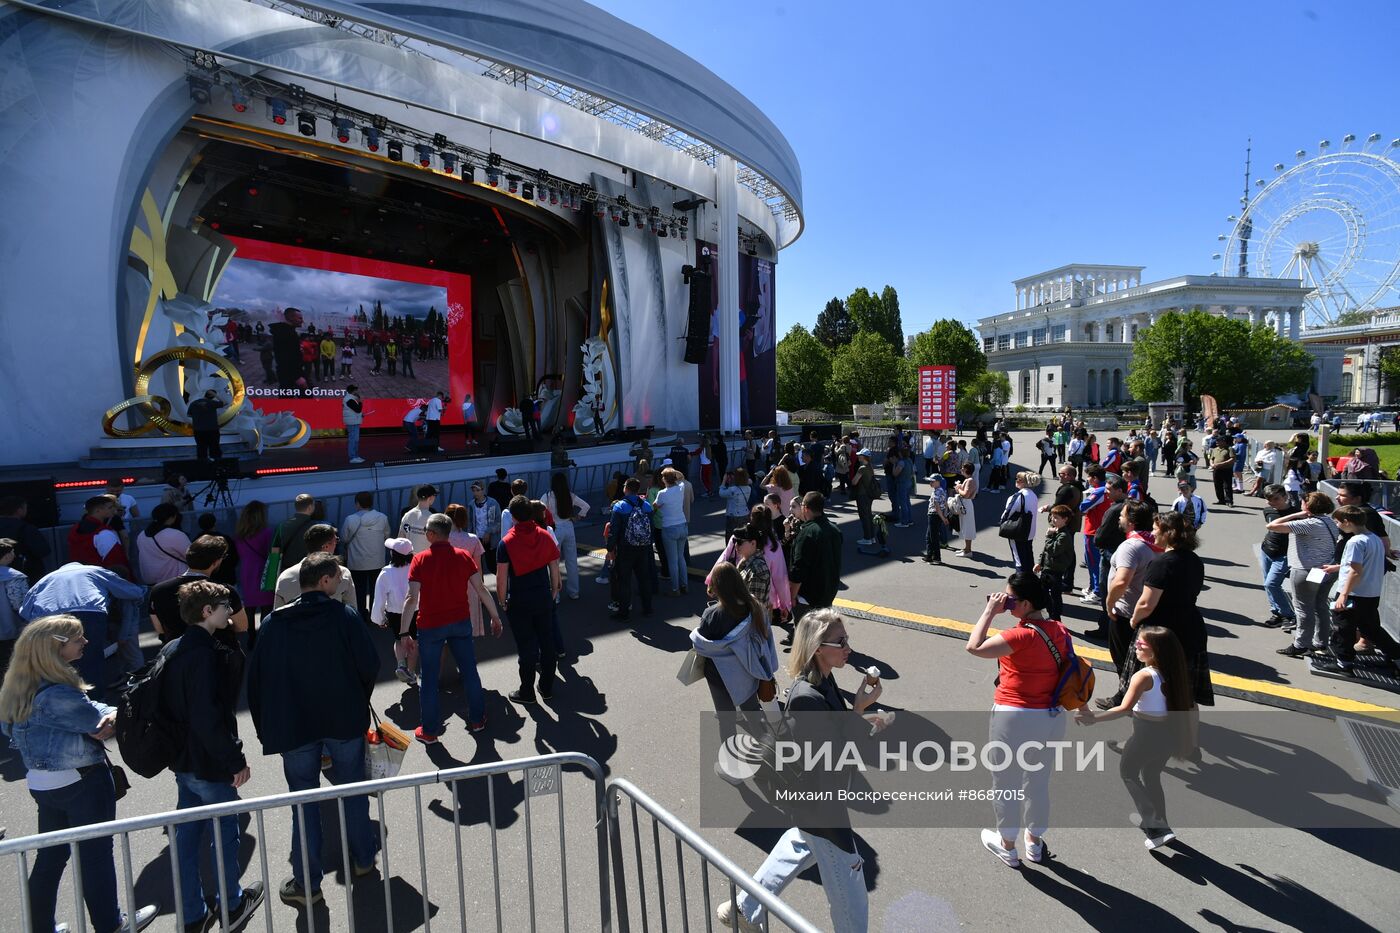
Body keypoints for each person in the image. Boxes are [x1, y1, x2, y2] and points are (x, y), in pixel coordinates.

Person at [719, 608, 880, 932]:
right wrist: (860, 711)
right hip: (824, 813)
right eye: (840, 641)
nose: (848, 647)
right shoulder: (807, 697)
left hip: (812, 808)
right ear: (818, 647)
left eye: (847, 639)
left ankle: (744, 907)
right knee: (852, 900)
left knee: (799, 843)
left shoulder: (823, 679)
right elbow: (833, 759)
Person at [0, 616, 159, 933]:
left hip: (44, 784)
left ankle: (41, 927)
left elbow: (90, 710)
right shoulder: (58, 693)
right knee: (95, 856)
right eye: (77, 639)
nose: (86, 642)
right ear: (55, 648)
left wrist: (102, 714)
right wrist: (111, 715)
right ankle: (110, 925)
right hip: (81, 782)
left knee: (51, 858)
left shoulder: (20, 685)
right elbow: (98, 724)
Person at [245, 553, 381, 907]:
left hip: (294, 726)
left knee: (303, 801)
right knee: (353, 788)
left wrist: (265, 729)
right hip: (343, 721)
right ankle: (364, 859)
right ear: (323, 580)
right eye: (336, 577)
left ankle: (307, 883)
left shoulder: (274, 623)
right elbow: (369, 664)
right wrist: (355, 699)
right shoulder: (344, 616)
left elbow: (256, 681)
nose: (339, 582)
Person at [162, 580, 266, 931]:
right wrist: (234, 760)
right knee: (225, 835)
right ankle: (232, 905)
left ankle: (192, 912)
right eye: (225, 606)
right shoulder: (205, 655)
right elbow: (208, 717)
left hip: (183, 761)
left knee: (187, 837)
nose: (230, 611)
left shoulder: (173, 648)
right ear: (207, 611)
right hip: (209, 763)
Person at [965, 572, 1073, 868]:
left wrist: (988, 611)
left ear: (1025, 603)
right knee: (1037, 782)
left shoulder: (1019, 636)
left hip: (1014, 716)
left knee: (1006, 781)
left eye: (1010, 599)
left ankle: (1008, 845)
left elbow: (974, 647)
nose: (1005, 603)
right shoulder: (1060, 630)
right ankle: (1034, 842)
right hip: (1050, 716)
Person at [1076, 625, 1195, 847]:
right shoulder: (1175, 672)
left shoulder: (1143, 675)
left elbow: (1123, 709)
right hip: (1168, 734)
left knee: (1128, 773)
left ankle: (1157, 829)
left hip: (1146, 734)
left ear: (1155, 650)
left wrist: (1093, 718)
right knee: (1151, 776)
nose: (1136, 647)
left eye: (1141, 644)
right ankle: (1161, 823)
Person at [400, 514, 504, 740]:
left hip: (430, 626)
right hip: (460, 622)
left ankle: (429, 731)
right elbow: (481, 589)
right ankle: (477, 720)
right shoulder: (463, 556)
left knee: (428, 679)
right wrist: (495, 616)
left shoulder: (420, 560)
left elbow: (411, 598)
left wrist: (403, 632)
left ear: (430, 534)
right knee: (469, 672)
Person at [1124, 511, 1213, 708]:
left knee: (1157, 684)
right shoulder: (1194, 560)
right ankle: (1189, 733)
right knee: (1185, 690)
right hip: (1191, 627)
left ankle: (1154, 726)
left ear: (1168, 533)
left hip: (1162, 632)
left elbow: (1147, 603)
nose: (1152, 533)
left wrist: (1134, 620)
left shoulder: (1161, 564)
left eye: (1156, 530)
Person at [20, 562, 146, 699]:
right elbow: (127, 590)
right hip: (89, 612)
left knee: (53, 661)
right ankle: (94, 700)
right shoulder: (93, 571)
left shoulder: (45, 579)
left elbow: (24, 611)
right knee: (91, 658)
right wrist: (142, 591)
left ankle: (60, 699)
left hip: (49, 618)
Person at [690, 560, 777, 750]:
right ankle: (771, 749)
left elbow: (702, 646)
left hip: (719, 675)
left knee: (726, 719)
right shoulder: (755, 607)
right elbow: (766, 640)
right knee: (753, 711)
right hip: (748, 670)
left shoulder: (711, 614)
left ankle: (732, 767)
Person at [1311, 505, 1400, 677]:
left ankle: (1343, 663)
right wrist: (1338, 567)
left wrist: (1343, 595)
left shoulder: (1355, 542)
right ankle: (1396, 657)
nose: (1337, 525)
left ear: (1347, 522)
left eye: (1338, 522)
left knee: (1342, 627)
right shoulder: (1373, 538)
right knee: (1372, 629)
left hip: (1353, 593)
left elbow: (1355, 571)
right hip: (1370, 594)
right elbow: (1363, 564)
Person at [496, 498, 562, 704]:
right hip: (543, 595)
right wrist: (553, 591)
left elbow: (501, 578)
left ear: (513, 516)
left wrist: (502, 601)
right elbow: (554, 568)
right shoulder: (544, 534)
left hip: (520, 598)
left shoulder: (506, 542)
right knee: (547, 642)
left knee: (526, 648)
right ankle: (546, 686)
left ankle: (527, 692)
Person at [1267, 492, 1340, 658]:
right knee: (1320, 605)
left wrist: (1297, 514)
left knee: (1303, 607)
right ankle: (1320, 641)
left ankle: (1300, 644)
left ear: (1308, 506)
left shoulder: (1307, 523)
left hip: (1305, 569)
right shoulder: (1330, 522)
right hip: (1325, 569)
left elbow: (1272, 526)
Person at [1103, 501, 1161, 701]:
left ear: (1131, 522)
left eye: (1122, 515)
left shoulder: (1131, 546)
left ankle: (1124, 698)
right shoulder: (1155, 542)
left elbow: (1121, 581)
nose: (1119, 518)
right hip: (1146, 611)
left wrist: (1110, 604)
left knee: (1124, 660)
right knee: (1142, 661)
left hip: (1126, 611)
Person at [148, 535, 249, 645]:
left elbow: (160, 628)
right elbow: (242, 626)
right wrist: (226, 622)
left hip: (177, 653)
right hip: (216, 652)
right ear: (216, 562)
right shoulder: (224, 591)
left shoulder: (158, 590)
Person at [788, 493, 843, 622]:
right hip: (828, 593)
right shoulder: (834, 530)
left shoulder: (807, 533)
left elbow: (799, 568)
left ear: (805, 508)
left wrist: (792, 595)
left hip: (808, 597)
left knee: (807, 637)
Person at [371, 538, 419, 684]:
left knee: (399, 639)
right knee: (414, 642)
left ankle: (401, 664)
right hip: (415, 610)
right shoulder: (416, 568)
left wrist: (379, 618)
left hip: (394, 612)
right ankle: (411, 673)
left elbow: (379, 598)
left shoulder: (386, 573)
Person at [233, 500, 275, 645]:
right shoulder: (267, 532)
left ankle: (251, 635)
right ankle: (264, 635)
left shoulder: (240, 534)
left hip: (246, 571)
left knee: (249, 607)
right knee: (266, 606)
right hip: (263, 569)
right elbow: (271, 553)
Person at [543, 472, 590, 599]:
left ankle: (555, 595)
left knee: (554, 563)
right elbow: (586, 506)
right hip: (569, 527)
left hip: (554, 530)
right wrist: (578, 517)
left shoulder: (547, 496)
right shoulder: (570, 495)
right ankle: (574, 592)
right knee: (572, 561)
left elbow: (540, 511)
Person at [1257, 485, 1298, 629]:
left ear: (1285, 496)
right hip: (1267, 550)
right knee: (1267, 585)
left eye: (1276, 499)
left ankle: (1288, 615)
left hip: (1285, 554)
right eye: (1269, 499)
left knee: (1271, 584)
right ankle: (1277, 613)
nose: (1272, 503)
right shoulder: (1268, 510)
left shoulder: (1296, 512)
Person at [68, 494, 130, 577]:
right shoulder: (104, 533)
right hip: (102, 577)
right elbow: (115, 561)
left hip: (81, 575)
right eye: (110, 507)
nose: (114, 510)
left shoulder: (75, 528)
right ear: (97, 510)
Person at [1035, 505, 1076, 622]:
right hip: (1047, 568)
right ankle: (1050, 612)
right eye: (1052, 517)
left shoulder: (1063, 536)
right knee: (1043, 592)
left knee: (1055, 595)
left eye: (1056, 518)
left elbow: (1053, 551)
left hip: (1055, 570)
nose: (1053, 520)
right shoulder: (1055, 531)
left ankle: (1055, 617)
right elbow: (1045, 550)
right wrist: (1040, 563)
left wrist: (1048, 536)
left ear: (1065, 519)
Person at [135, 502, 191, 585]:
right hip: (174, 582)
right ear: (173, 517)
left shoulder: (142, 535)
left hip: (151, 583)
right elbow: (191, 556)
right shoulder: (175, 535)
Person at [653, 468, 690, 596]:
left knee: (672, 560)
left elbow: (655, 506)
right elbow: (682, 475)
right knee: (681, 558)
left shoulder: (662, 493)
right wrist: (674, 471)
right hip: (682, 525)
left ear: (664, 479)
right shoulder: (681, 488)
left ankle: (675, 589)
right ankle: (684, 585)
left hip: (669, 527)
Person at [0, 495, 52, 583]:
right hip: (25, 574)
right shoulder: (25, 528)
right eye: (25, 508)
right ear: (19, 510)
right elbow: (43, 551)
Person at [0, 539, 31, 674]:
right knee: (10, 666)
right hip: (9, 629)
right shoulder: (14, 576)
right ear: (7, 556)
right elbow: (20, 604)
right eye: (12, 552)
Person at [1000, 472, 1040, 571]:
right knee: (1028, 557)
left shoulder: (1018, 496)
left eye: (1018, 478)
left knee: (1019, 559)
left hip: (1018, 532)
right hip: (1030, 531)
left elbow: (1007, 514)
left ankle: (1021, 581)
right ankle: (1031, 579)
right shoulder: (1033, 495)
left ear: (1022, 482)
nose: (1016, 480)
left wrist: (1002, 523)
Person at [271, 493, 317, 571]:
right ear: (310, 507)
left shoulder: (281, 526)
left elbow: (275, 550)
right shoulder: (315, 527)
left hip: (286, 570)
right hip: (307, 571)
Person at [467, 482, 503, 574]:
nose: (475, 493)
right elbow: (470, 522)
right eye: (474, 491)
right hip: (477, 538)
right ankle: (480, 586)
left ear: (483, 490)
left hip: (490, 539)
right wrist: (469, 537)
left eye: (478, 490)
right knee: (477, 566)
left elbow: (498, 522)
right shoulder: (471, 505)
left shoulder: (492, 503)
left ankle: (503, 584)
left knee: (492, 564)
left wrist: (489, 531)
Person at [186, 389, 226, 462]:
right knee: (214, 448)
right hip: (212, 429)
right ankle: (217, 466)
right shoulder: (212, 403)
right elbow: (225, 402)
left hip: (198, 430)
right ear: (212, 396)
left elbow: (189, 415)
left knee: (201, 449)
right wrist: (215, 395)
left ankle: (202, 466)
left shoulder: (194, 403)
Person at [399, 483, 438, 553]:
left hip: (411, 559)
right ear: (430, 498)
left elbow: (400, 540)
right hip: (426, 558)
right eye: (434, 496)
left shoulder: (406, 515)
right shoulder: (433, 517)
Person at [718, 468, 752, 541]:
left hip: (733, 515)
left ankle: (731, 551)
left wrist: (724, 481)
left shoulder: (732, 489)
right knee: (743, 535)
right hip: (745, 514)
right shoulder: (748, 488)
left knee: (731, 536)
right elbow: (748, 481)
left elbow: (721, 493)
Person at [924, 475, 948, 565]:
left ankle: (937, 557)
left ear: (938, 482)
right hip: (937, 515)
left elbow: (937, 507)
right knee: (928, 536)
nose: (930, 483)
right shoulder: (941, 490)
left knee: (933, 537)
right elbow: (945, 504)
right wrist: (944, 516)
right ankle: (929, 555)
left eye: (932, 481)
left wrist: (943, 518)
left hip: (934, 515)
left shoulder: (936, 492)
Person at [342, 384, 365, 464]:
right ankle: (352, 457)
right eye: (355, 390)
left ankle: (356, 456)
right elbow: (357, 409)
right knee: (353, 440)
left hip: (354, 421)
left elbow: (354, 411)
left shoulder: (350, 398)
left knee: (355, 440)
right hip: (352, 422)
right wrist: (360, 402)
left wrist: (360, 414)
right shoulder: (349, 399)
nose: (357, 391)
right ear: (353, 391)